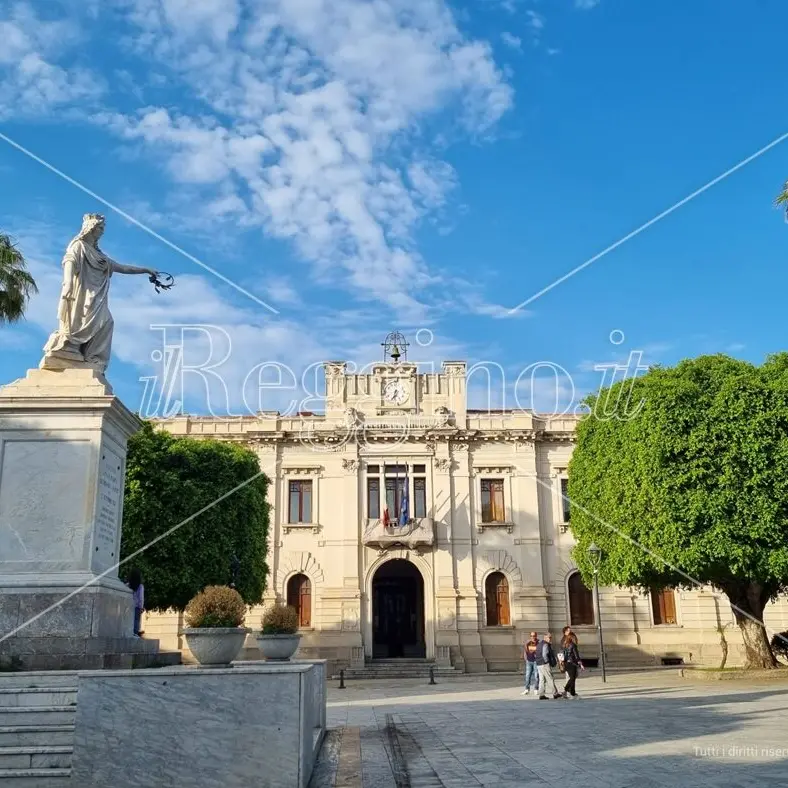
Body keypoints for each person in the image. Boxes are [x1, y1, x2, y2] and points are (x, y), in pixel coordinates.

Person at [535, 632, 562, 700]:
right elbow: (544, 655)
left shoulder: (539, 644)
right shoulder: (545, 644)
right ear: (545, 637)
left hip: (539, 664)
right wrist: (547, 662)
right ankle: (555, 693)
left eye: (551, 637)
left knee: (542, 680)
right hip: (544, 664)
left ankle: (541, 694)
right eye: (549, 637)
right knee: (550, 678)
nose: (550, 639)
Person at [560, 626, 584, 698]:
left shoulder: (563, 643)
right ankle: (566, 691)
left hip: (566, 663)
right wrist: (581, 664)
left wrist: (561, 661)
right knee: (572, 678)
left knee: (572, 678)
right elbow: (576, 656)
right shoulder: (573, 645)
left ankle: (572, 692)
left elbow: (561, 653)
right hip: (572, 663)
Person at [521, 631, 541, 696]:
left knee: (536, 676)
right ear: (530, 636)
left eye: (534, 636)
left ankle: (536, 689)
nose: (533, 637)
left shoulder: (538, 643)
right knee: (527, 676)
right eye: (531, 636)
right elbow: (525, 650)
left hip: (535, 661)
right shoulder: (528, 642)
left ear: (536, 636)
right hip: (529, 661)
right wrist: (525, 658)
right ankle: (527, 689)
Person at [128, 568, 145, 637]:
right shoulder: (140, 586)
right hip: (137, 606)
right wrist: (141, 607)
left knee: (129, 619)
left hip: (129, 606)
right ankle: (135, 633)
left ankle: (129, 632)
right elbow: (141, 597)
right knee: (136, 620)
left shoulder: (127, 585)